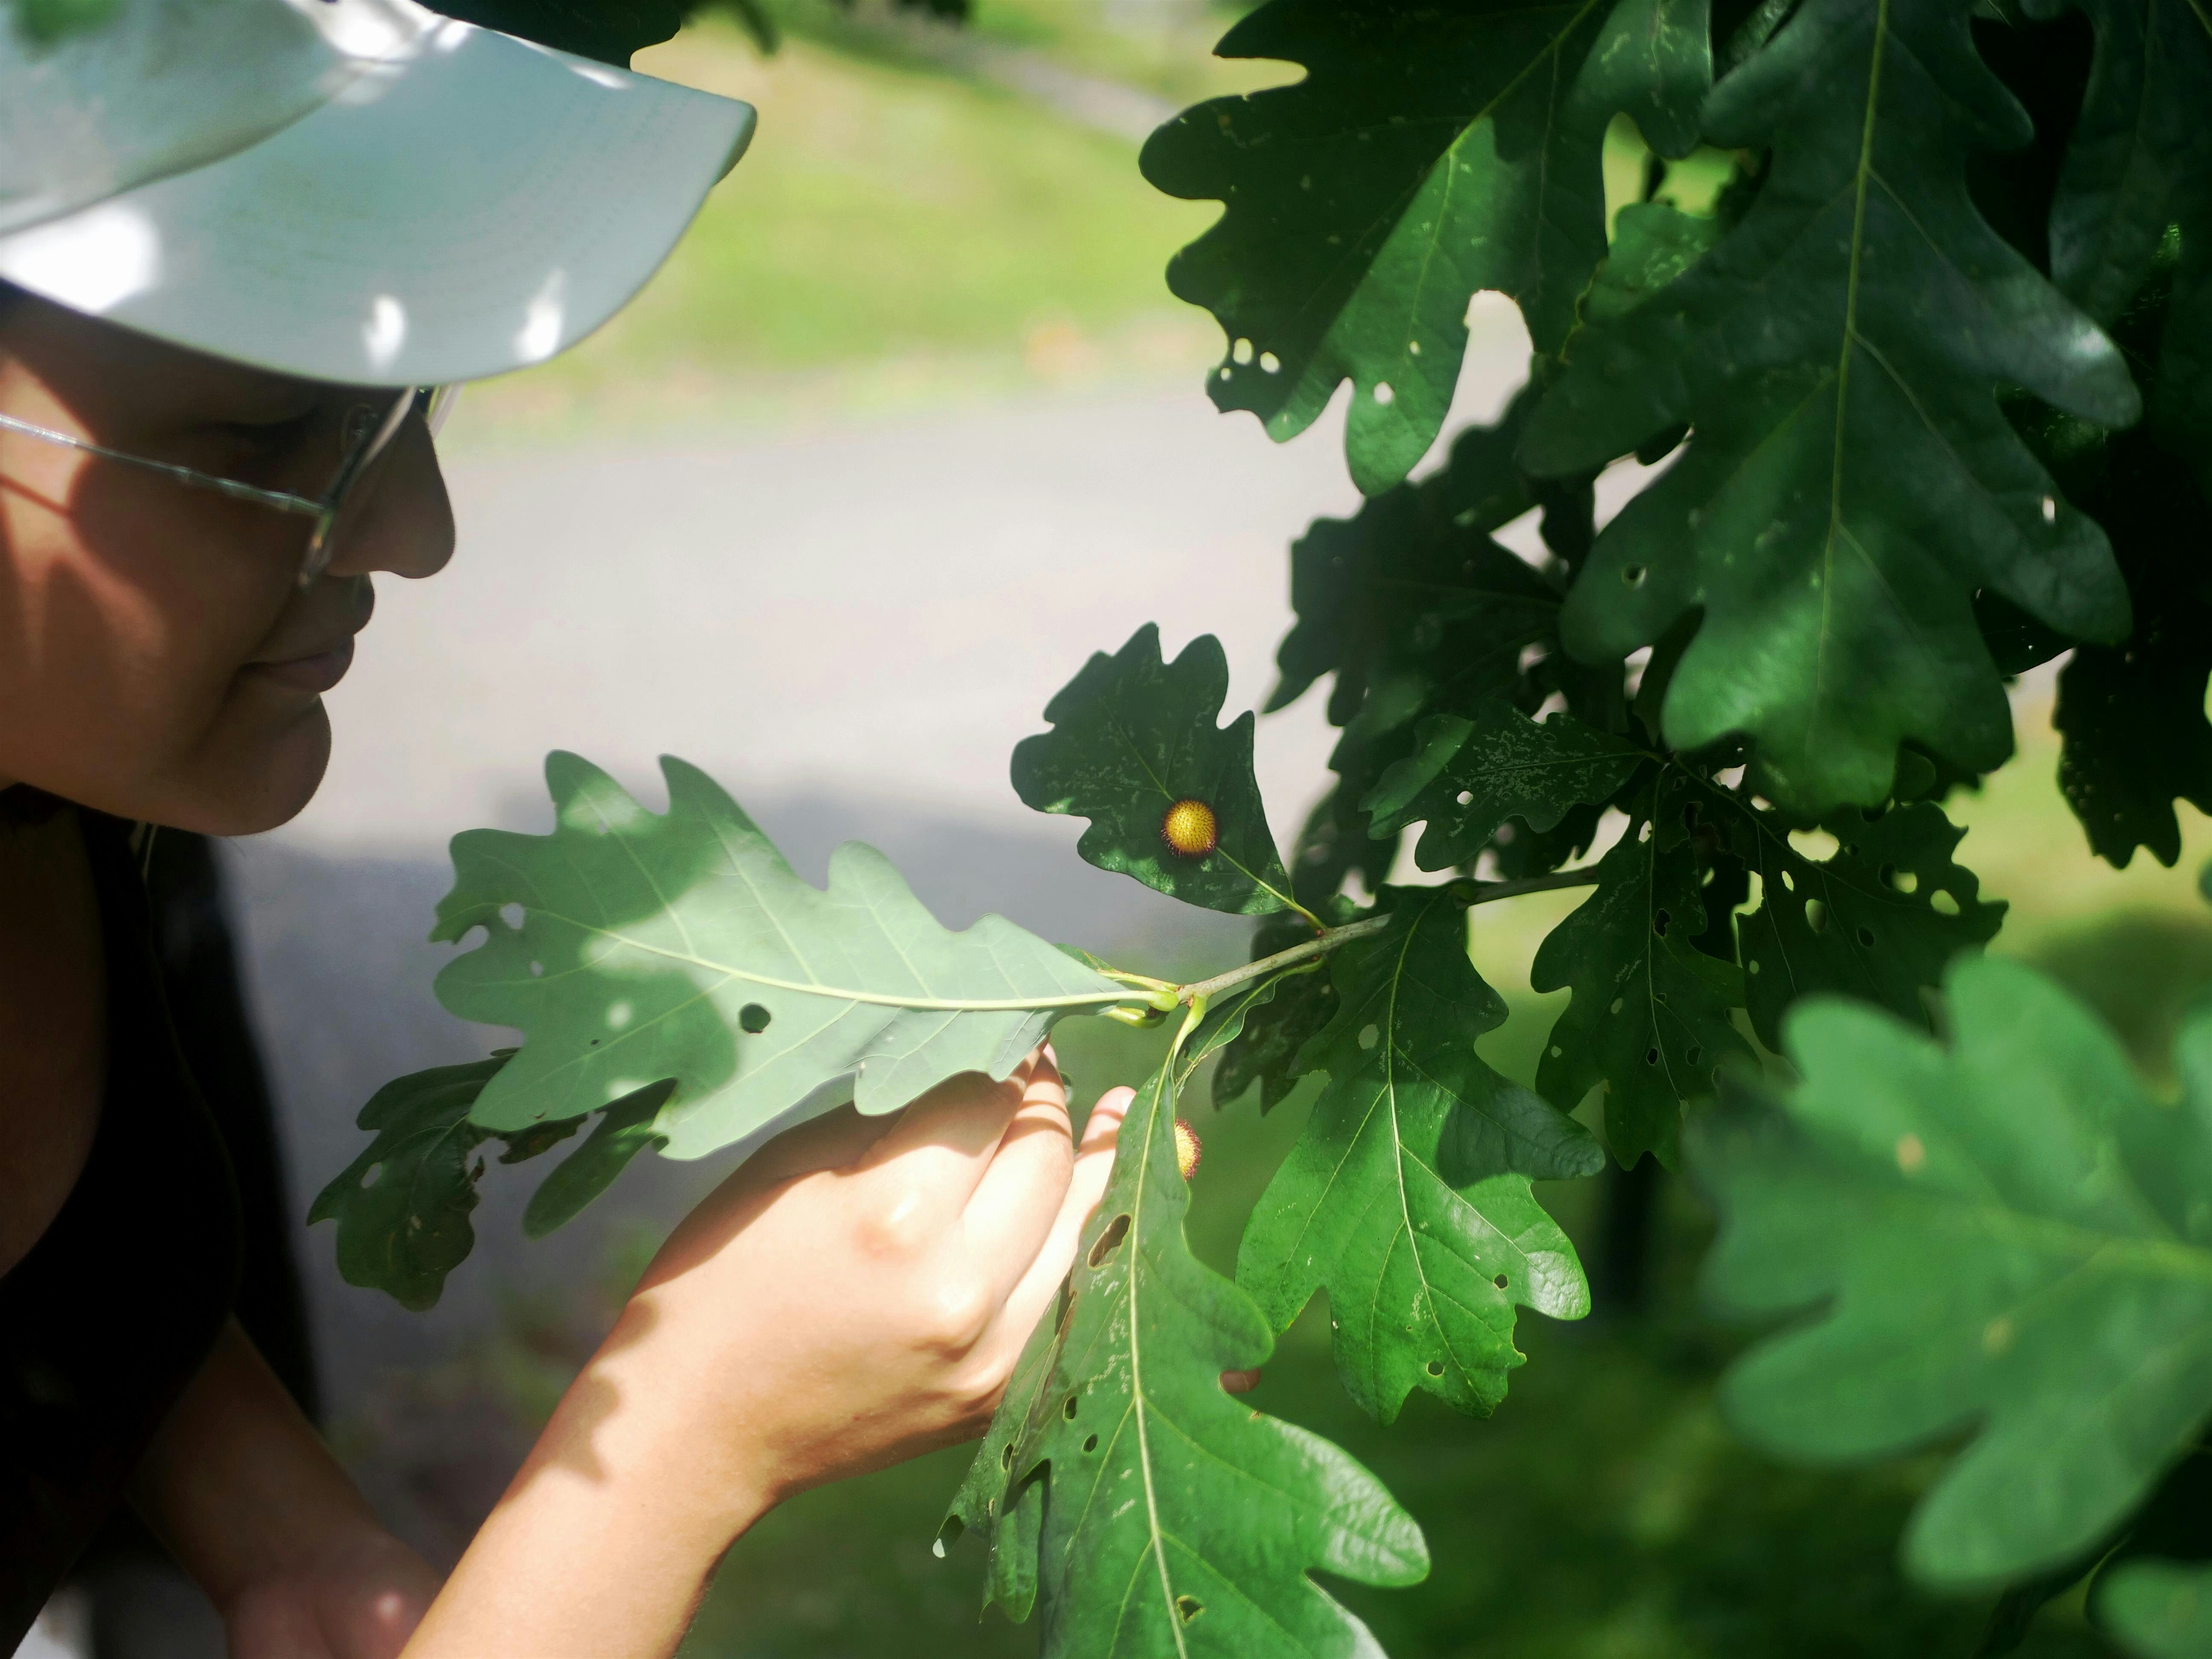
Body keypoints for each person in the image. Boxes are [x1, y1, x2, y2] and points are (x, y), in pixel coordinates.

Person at [0, 0, 1138, 1653]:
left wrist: (287, 1542)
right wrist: (690, 1434)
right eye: (263, 438)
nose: (416, 529)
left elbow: (68, 1263)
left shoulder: (57, 789)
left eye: (403, 408)